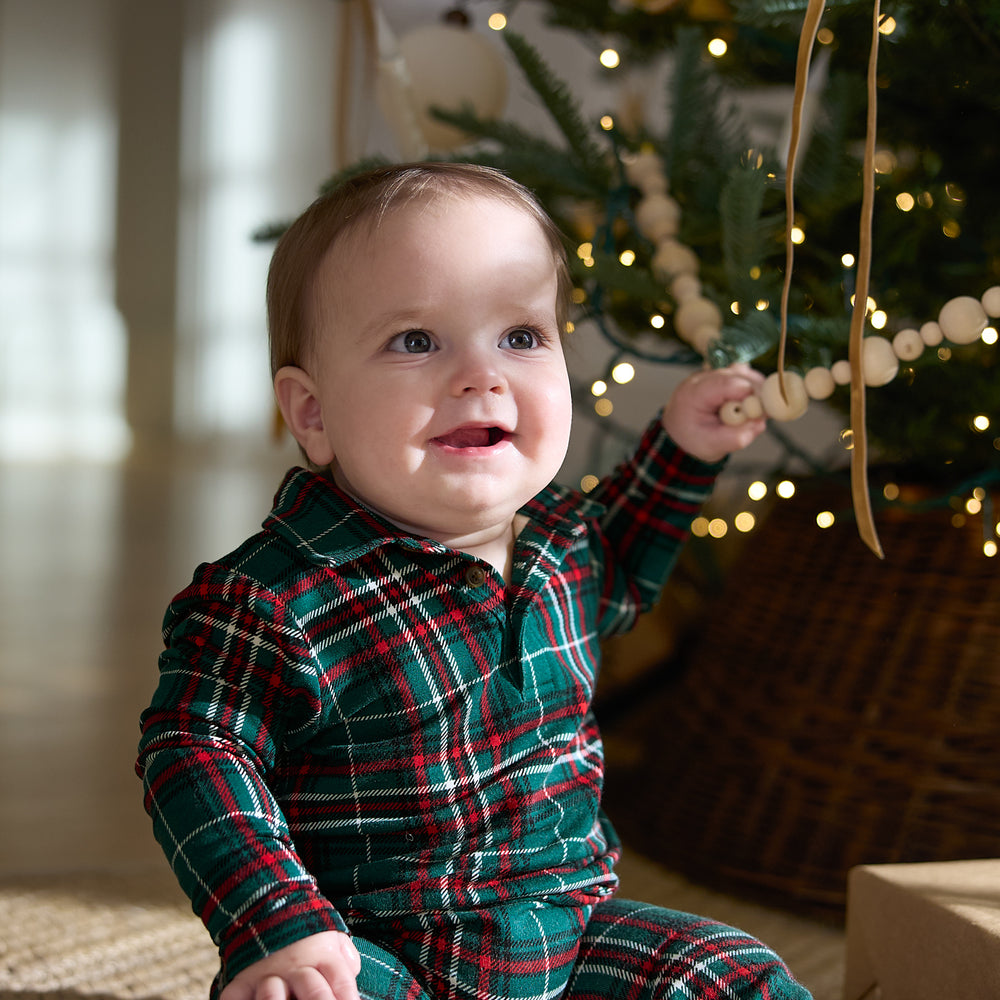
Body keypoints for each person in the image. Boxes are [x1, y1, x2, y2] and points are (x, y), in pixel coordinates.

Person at [137, 162, 807, 1000]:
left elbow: (624, 565)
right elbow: (196, 747)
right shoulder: (273, 599)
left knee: (733, 973)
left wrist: (680, 449)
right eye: (416, 341)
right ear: (312, 414)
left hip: (571, 933)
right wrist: (277, 923)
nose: (480, 376)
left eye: (521, 336)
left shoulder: (561, 541)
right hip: (381, 950)